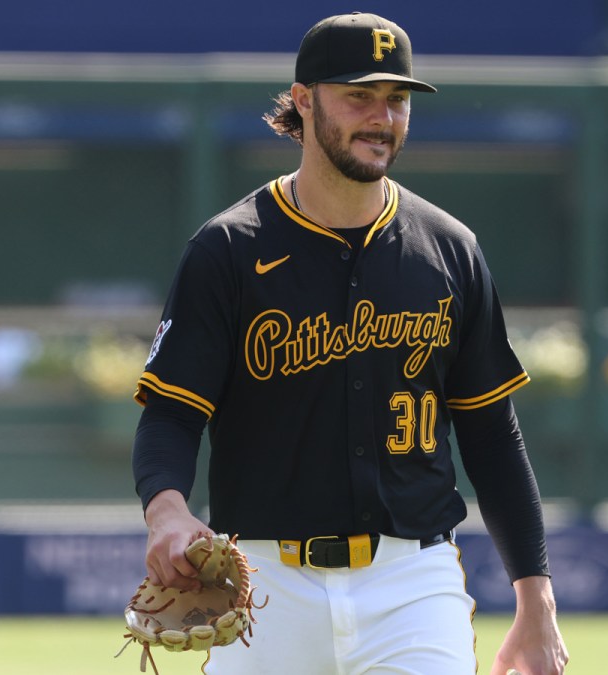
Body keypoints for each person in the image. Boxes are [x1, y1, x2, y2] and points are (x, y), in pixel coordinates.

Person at [131, 12, 568, 675]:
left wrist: (535, 599)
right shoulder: (228, 250)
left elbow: (492, 435)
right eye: (358, 95)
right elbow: (171, 412)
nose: (381, 116)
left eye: (396, 99)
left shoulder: (450, 250)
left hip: (411, 583)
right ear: (303, 102)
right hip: (266, 584)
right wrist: (166, 511)